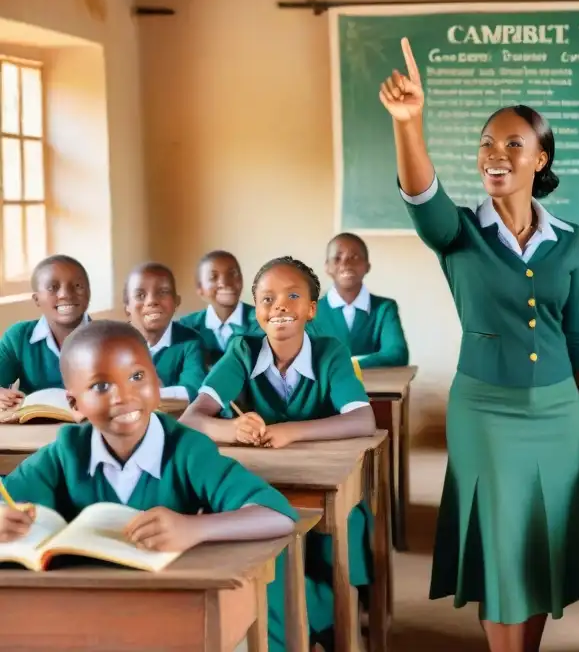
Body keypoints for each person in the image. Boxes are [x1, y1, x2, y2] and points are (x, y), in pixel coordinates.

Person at [380, 38, 579, 652]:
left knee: (540, 548)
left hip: (559, 413)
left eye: (514, 145)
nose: (497, 155)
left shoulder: (570, 239)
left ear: (541, 160)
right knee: (500, 544)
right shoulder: (458, 232)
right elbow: (421, 197)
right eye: (487, 144)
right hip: (485, 412)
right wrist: (410, 125)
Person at [0, 321, 297, 644]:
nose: (123, 396)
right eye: (101, 386)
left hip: (176, 608)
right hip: (87, 609)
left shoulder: (187, 450)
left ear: (157, 384)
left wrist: (194, 529)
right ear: (75, 406)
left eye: (137, 377)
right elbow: (9, 498)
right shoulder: (66, 451)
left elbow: (277, 514)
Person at [180, 256, 377, 651]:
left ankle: (320, 617)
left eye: (292, 296)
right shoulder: (242, 350)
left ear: (311, 309)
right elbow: (191, 418)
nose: (281, 306)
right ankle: (285, 624)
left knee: (333, 552)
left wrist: (293, 432)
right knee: (257, 552)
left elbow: (363, 421)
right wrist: (231, 428)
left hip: (327, 485)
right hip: (261, 481)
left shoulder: (329, 352)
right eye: (267, 299)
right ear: (257, 310)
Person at [0, 255, 91, 410]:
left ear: (89, 292)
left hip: (89, 429)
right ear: (36, 299)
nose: (65, 294)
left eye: (77, 285)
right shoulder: (18, 337)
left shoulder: (110, 339)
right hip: (33, 430)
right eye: (52, 288)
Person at [308, 232, 409, 368]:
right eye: (337, 258)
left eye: (354, 257)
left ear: (367, 266)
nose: (346, 263)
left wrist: (346, 364)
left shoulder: (384, 308)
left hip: (375, 389)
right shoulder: (310, 311)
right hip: (326, 390)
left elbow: (397, 354)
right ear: (327, 267)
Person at [123, 262, 206, 401]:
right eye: (140, 295)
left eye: (162, 292)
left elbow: (193, 391)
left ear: (176, 301)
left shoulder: (191, 342)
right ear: (127, 307)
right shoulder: (114, 343)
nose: (152, 301)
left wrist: (148, 394)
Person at [177, 250, 261, 364]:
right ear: (200, 288)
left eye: (232, 274)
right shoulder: (186, 328)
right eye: (213, 277)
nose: (225, 282)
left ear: (241, 279)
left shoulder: (262, 321)